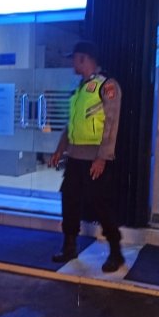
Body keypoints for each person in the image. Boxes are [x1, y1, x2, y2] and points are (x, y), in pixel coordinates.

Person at [48, 41, 124, 273]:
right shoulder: (80, 88)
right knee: (69, 200)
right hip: (75, 157)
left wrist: (102, 158)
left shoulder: (107, 85)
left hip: (94, 158)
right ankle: (69, 246)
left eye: (75, 58)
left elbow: (111, 125)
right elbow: (71, 124)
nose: (73, 62)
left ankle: (116, 252)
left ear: (84, 58)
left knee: (101, 205)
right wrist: (60, 149)